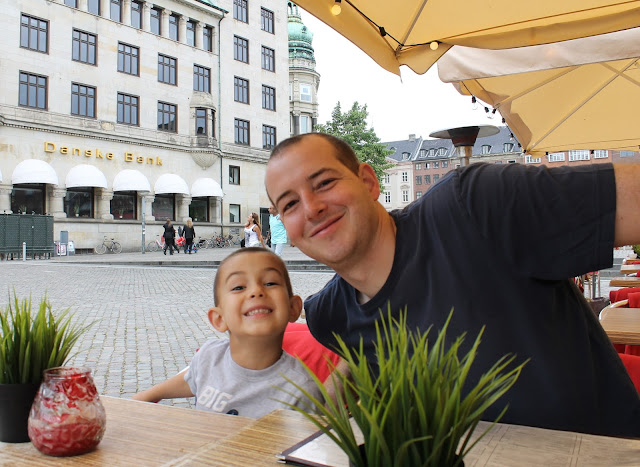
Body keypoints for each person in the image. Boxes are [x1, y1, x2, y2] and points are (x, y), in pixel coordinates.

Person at [265, 132, 640, 437]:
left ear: (368, 181)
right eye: (290, 204)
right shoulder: (329, 315)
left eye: (325, 183)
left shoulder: (475, 205)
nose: (311, 208)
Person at [132, 248, 322, 418]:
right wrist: (147, 396)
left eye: (270, 283)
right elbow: (193, 378)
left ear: (293, 308)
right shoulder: (209, 356)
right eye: (239, 287)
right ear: (219, 319)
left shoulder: (303, 392)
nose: (256, 291)